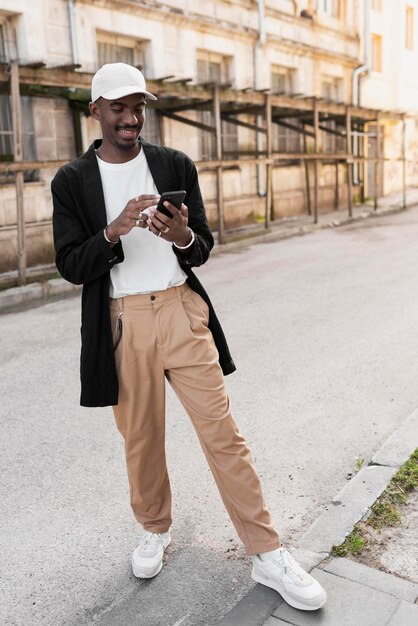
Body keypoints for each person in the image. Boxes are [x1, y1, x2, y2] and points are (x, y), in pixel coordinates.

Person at [52, 62, 326, 612]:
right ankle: (155, 528)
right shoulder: (72, 180)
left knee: (223, 434)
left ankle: (267, 552)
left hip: (180, 311)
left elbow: (201, 244)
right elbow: (70, 265)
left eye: (139, 108)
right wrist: (114, 230)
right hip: (121, 320)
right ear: (96, 111)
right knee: (142, 438)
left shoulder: (174, 163)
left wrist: (179, 235)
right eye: (119, 108)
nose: (131, 118)